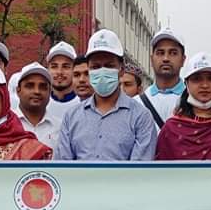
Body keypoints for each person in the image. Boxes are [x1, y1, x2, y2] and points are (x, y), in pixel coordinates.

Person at [54, 29, 157, 161]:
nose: (102, 72)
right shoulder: (71, 117)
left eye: (109, 66)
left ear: (121, 70)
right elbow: (63, 166)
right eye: (96, 67)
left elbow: (140, 169)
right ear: (89, 70)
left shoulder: (141, 117)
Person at [137, 27, 186, 128]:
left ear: (183, 59)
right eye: (160, 53)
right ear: (151, 59)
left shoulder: (194, 102)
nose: (166, 58)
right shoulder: (137, 103)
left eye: (173, 53)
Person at [15, 62, 62, 149]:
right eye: (30, 86)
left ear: (50, 92)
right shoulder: (5, 125)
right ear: (18, 90)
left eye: (43, 87)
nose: (37, 91)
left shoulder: (61, 128)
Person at [45, 41, 79, 118]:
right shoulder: (40, 104)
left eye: (66, 66)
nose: (59, 72)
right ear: (48, 69)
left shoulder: (84, 104)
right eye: (54, 66)